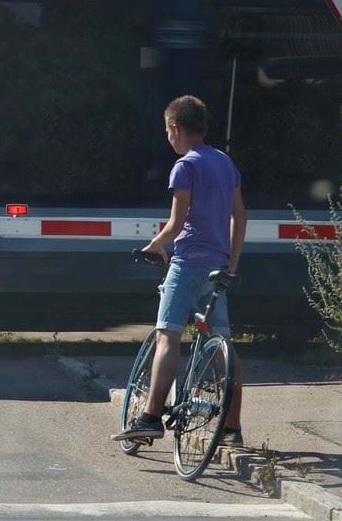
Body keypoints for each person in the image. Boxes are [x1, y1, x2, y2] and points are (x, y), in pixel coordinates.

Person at [112, 95, 247, 446]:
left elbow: (177, 223)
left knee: (167, 336)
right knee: (223, 346)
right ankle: (232, 429)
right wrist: (231, 264)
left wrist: (155, 244)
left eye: (167, 131)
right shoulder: (225, 163)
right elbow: (240, 216)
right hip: (218, 267)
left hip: (187, 263)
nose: (168, 138)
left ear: (175, 128)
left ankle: (150, 417)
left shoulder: (185, 166)